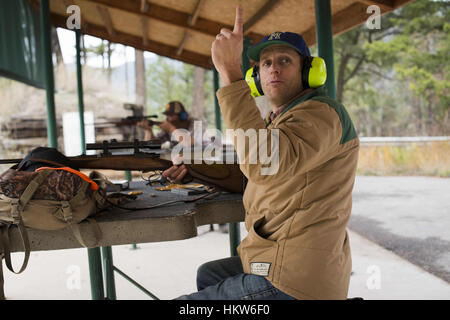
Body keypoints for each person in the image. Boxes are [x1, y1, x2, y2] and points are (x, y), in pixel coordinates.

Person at [164, 6, 360, 300]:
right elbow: (254, 171)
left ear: (309, 71)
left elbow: (264, 165)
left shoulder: (321, 113)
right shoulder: (282, 119)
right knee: (210, 274)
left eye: (284, 60)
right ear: (257, 76)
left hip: (296, 276)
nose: (273, 68)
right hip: (278, 253)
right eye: (266, 63)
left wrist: (231, 73)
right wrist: (196, 169)